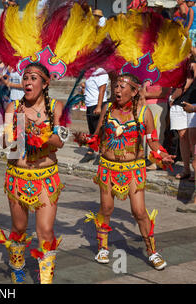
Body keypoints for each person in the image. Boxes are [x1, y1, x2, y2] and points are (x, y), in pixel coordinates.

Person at [74, 73, 175, 271]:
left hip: (133, 169)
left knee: (138, 211)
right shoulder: (108, 108)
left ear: (135, 91)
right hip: (108, 167)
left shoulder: (144, 112)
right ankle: (102, 247)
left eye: (122, 86)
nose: (117, 90)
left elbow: (153, 141)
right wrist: (84, 139)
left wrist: (161, 154)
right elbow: (97, 137)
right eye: (116, 86)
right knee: (106, 209)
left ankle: (152, 251)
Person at [0, 63, 68, 284]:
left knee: (45, 229)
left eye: (33, 78)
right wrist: (18, 130)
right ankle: (17, 266)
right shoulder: (12, 109)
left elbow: (60, 141)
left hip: (46, 176)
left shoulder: (56, 107)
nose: (27, 82)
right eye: (25, 77)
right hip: (18, 175)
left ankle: (45, 280)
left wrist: (41, 132)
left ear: (45, 83)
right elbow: (7, 143)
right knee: (18, 227)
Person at [80, 68, 109, 163]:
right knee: (92, 129)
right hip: (89, 104)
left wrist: (99, 106)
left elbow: (102, 90)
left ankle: (102, 153)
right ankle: (91, 152)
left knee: (100, 130)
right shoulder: (90, 71)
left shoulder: (102, 72)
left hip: (98, 105)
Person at [143, 85, 171, 170]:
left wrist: (146, 94)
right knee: (145, 134)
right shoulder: (149, 75)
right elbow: (142, 90)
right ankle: (146, 158)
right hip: (146, 105)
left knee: (156, 133)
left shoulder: (165, 75)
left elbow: (163, 93)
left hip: (158, 105)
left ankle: (156, 162)